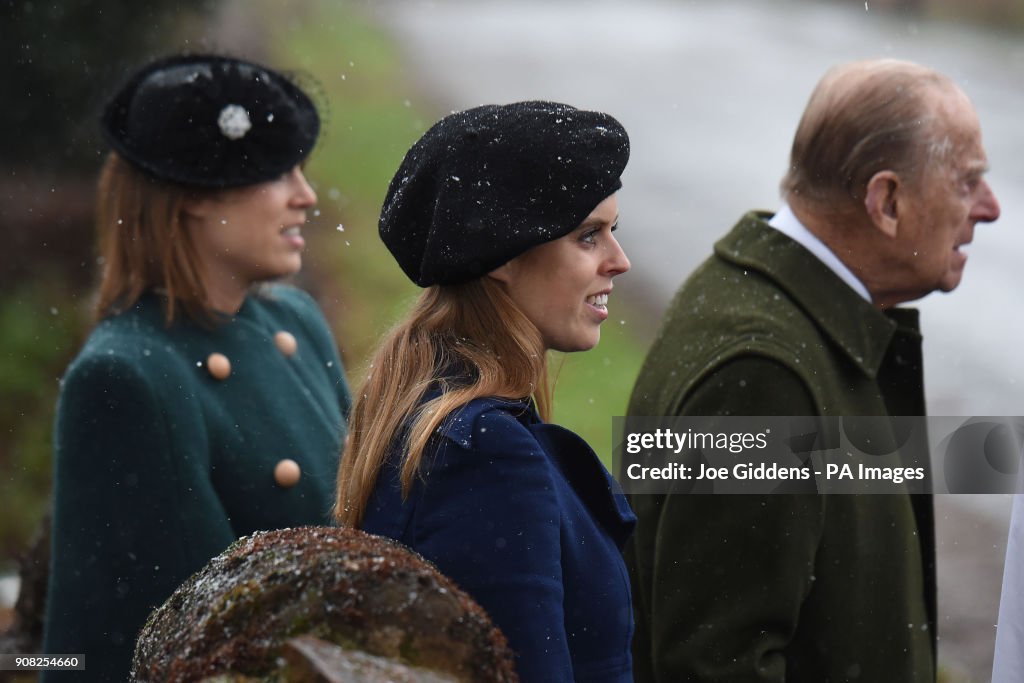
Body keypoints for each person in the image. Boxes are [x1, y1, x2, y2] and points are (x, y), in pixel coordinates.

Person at [626, 58, 1000, 682]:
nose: (988, 208)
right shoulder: (763, 371)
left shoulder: (772, 307)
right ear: (886, 200)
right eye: (967, 182)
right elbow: (714, 665)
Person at [43, 54, 351, 681]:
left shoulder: (293, 320)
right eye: (276, 173)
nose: (306, 196)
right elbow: (164, 634)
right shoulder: (127, 376)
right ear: (191, 196)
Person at [335, 101, 636, 682]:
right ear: (505, 256)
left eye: (611, 233)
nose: (619, 262)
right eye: (589, 236)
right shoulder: (487, 455)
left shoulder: (435, 406)